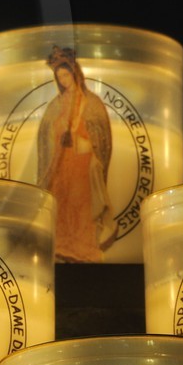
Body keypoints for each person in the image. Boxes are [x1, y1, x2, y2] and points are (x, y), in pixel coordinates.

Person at [38, 45, 114, 263]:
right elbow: (46, 135)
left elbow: (101, 137)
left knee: (81, 204)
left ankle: (83, 247)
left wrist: (84, 140)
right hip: (61, 162)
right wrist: (59, 134)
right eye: (59, 76)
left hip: (82, 161)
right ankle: (61, 245)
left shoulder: (92, 103)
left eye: (66, 74)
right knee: (61, 203)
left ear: (75, 73)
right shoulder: (56, 104)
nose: (63, 80)